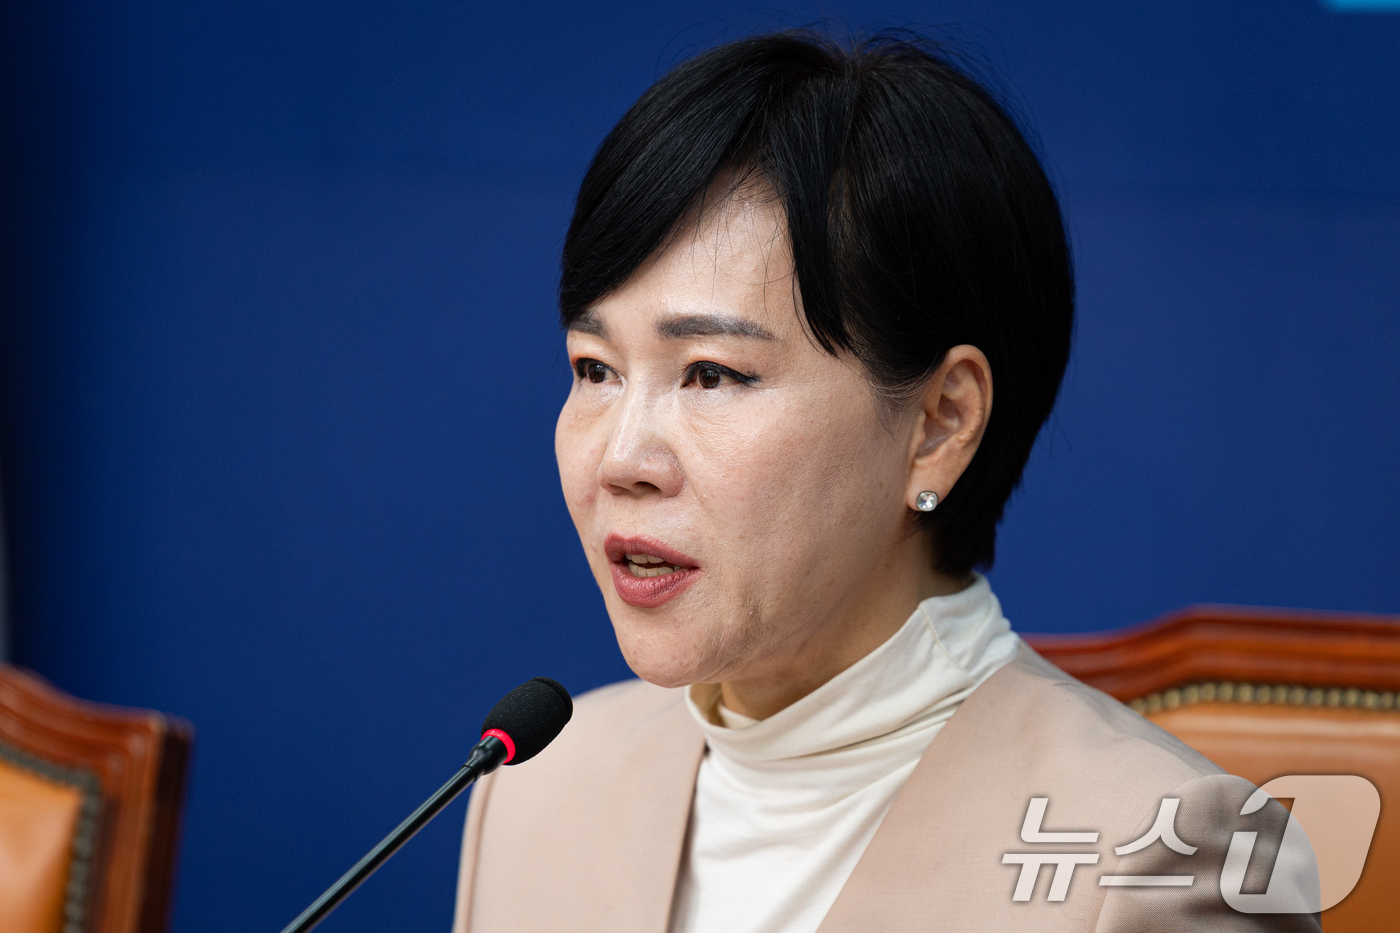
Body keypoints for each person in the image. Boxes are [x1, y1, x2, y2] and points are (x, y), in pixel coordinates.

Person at [450, 31, 1319, 933]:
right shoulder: (536, 784)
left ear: (939, 424)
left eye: (711, 373)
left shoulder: (1163, 860)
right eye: (595, 369)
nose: (619, 459)